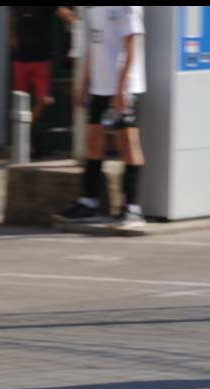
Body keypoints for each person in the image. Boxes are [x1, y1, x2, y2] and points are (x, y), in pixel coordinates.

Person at [54, 6, 147, 230]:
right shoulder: (94, 9)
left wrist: (122, 88)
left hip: (122, 87)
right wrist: (83, 84)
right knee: (93, 143)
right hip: (100, 86)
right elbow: (95, 47)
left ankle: (132, 209)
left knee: (128, 144)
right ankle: (89, 203)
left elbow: (132, 45)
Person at [10, 6, 77, 159]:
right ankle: (30, 142)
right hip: (21, 58)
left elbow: (66, 15)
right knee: (21, 101)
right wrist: (12, 36)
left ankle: (24, 133)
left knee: (44, 100)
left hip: (42, 58)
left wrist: (80, 22)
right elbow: (13, 16)